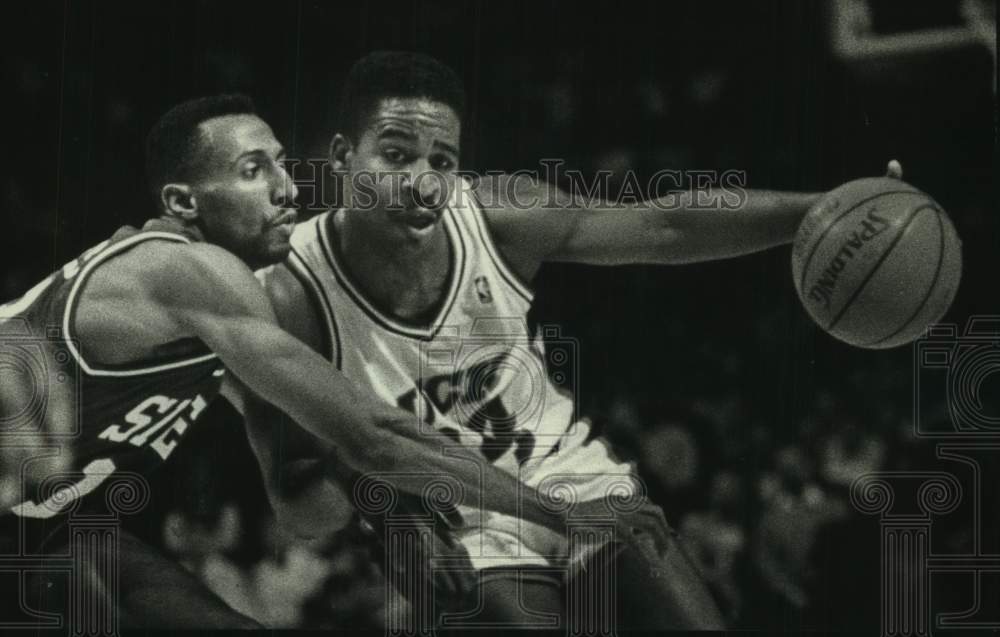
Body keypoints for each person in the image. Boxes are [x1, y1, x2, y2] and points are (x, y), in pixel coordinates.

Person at [246, 50, 905, 630]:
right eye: (395, 155)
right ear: (342, 157)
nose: (423, 180)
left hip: (566, 476)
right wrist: (383, 505)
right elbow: (300, 501)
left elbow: (660, 226)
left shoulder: (496, 214)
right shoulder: (287, 292)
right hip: (455, 519)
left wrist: (818, 209)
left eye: (441, 160)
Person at [0, 94, 575, 629]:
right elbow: (372, 434)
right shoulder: (182, 270)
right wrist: (561, 514)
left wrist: (392, 512)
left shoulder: (217, 317)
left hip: (40, 530)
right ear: (182, 202)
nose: (288, 190)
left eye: (282, 164)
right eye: (254, 171)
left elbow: (303, 498)